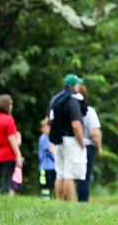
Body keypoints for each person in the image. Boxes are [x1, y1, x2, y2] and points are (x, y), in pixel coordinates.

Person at [46, 74, 87, 202]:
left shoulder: (55, 99)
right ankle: (71, 204)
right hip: (71, 141)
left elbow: (47, 121)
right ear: (75, 86)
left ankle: (60, 202)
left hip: (58, 142)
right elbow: (76, 125)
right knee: (70, 175)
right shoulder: (73, 99)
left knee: (60, 174)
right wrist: (81, 143)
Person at [0, 94, 23, 195]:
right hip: (8, 155)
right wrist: (19, 155)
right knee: (6, 180)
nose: (12, 106)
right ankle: (3, 201)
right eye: (11, 104)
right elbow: (12, 140)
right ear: (6, 105)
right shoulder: (8, 120)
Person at [77, 85, 102, 202]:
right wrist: (99, 148)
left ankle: (66, 200)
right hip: (87, 146)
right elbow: (95, 133)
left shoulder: (66, 109)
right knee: (84, 175)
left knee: (69, 175)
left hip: (69, 144)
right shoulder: (89, 111)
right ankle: (82, 202)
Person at [39, 118, 55, 201]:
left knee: (51, 183)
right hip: (45, 167)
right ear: (42, 129)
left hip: (52, 166)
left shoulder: (49, 138)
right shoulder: (43, 138)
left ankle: (48, 198)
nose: (49, 129)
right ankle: (46, 199)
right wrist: (53, 144)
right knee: (45, 185)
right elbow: (51, 150)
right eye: (47, 127)